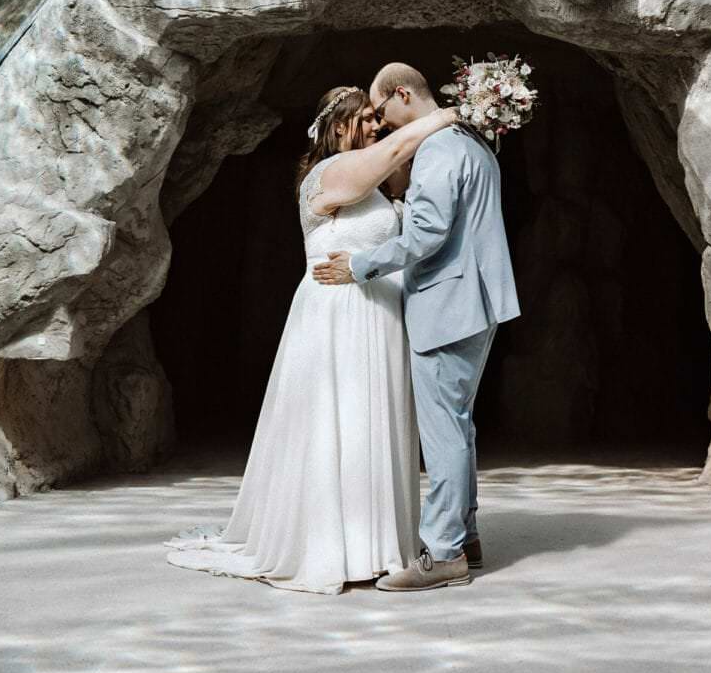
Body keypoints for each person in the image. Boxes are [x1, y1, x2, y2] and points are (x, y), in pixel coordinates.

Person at [165, 85, 458, 592]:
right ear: (338, 126)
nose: (376, 126)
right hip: (338, 316)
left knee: (374, 421)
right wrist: (451, 113)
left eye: (376, 117)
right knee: (339, 423)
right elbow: (392, 151)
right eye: (365, 118)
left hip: (381, 315)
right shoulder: (327, 175)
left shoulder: (375, 181)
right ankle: (331, 545)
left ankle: (375, 544)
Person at [313, 62, 520, 592]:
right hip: (476, 301)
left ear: (402, 94)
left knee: (444, 429)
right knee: (459, 422)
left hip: (447, 304)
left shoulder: (440, 149)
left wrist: (359, 266)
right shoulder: (473, 143)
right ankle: (466, 535)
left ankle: (444, 552)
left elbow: (426, 232)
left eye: (381, 110)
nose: (381, 123)